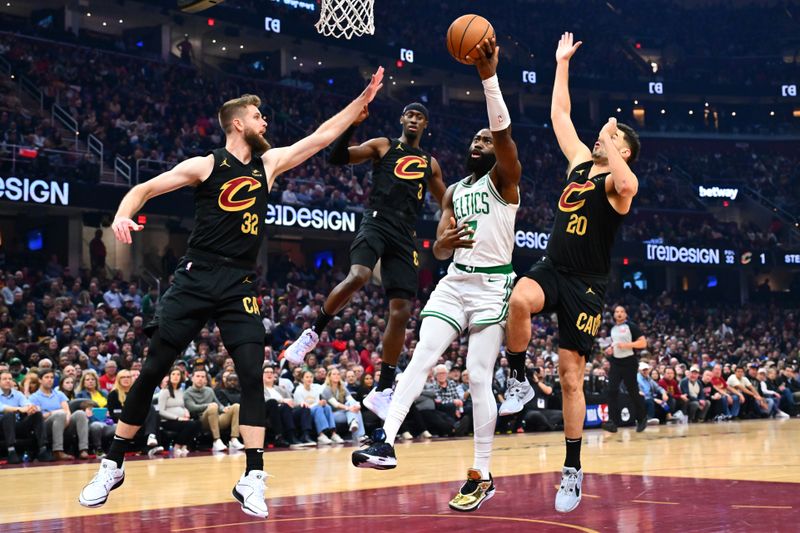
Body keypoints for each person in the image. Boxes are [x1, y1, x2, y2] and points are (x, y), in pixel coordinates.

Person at [79, 69, 384, 518]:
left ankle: (252, 476)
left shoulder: (269, 164)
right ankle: (113, 463)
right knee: (152, 370)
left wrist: (360, 103)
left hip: (238, 281)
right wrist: (123, 215)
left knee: (251, 372)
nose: (266, 123)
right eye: (258, 117)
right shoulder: (206, 165)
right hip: (195, 276)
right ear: (237, 123)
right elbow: (143, 188)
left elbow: (320, 138)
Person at [354, 36, 521, 513]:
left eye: (485, 140)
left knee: (475, 375)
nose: (479, 143)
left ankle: (482, 472)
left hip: (493, 286)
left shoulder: (506, 180)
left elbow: (504, 137)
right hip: (455, 282)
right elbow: (439, 242)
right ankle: (383, 442)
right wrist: (439, 245)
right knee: (421, 357)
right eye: (475, 139)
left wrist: (488, 78)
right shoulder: (454, 192)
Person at [500, 32, 641, 513]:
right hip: (554, 266)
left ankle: (573, 468)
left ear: (622, 147)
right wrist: (561, 64)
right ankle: (517, 377)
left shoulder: (621, 182)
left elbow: (625, 180)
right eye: (607, 136)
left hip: (587, 285)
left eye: (615, 138)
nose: (604, 138)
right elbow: (560, 116)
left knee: (570, 380)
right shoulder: (581, 162)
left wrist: (614, 141)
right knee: (517, 299)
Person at [285, 87, 447, 423]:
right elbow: (337, 157)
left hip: (405, 236)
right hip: (376, 222)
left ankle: (383, 389)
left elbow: (446, 201)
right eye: (410, 115)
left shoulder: (429, 164)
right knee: (358, 275)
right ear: (403, 119)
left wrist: (458, 217)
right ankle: (312, 332)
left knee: (401, 311)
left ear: (425, 125)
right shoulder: (383, 145)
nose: (414, 120)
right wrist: (353, 126)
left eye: (420, 117)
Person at [601, 305, 647, 433]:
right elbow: (615, 344)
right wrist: (610, 349)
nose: (619, 314)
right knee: (612, 391)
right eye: (616, 312)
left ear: (625, 314)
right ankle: (613, 422)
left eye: (621, 312)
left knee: (632, 391)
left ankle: (642, 418)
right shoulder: (612, 329)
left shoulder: (631, 326)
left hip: (629, 362)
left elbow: (643, 343)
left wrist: (626, 345)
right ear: (614, 315)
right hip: (616, 362)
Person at [29, 369, 91, 460]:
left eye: (52, 377)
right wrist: (54, 413)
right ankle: (58, 451)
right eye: (46, 377)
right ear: (40, 380)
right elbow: (39, 417)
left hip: (64, 422)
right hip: (45, 426)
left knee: (80, 413)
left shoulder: (59, 394)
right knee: (60, 414)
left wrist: (65, 420)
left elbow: (67, 411)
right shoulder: (34, 397)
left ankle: (83, 450)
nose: (50, 380)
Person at [184, 367, 244, 452]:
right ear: (192, 378)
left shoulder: (209, 390)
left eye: (202, 377)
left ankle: (234, 439)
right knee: (212, 407)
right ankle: (216, 440)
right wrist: (209, 405)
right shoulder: (187, 393)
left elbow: (218, 404)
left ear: (205, 379)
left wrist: (224, 409)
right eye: (198, 376)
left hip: (216, 417)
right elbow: (192, 408)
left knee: (236, 406)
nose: (200, 379)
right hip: (202, 420)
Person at [0, 370, 53, 463]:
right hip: (1, 427)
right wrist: (19, 409)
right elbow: (3, 408)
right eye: (4, 379)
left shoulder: (18, 394)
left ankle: (43, 449)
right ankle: (11, 451)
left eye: (10, 379)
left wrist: (31, 408)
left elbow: (27, 404)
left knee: (37, 414)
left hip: (16, 425)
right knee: (9, 415)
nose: (8, 381)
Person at [157, 367, 201, 457]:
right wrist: (177, 417)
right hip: (167, 421)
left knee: (198, 423)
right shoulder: (164, 392)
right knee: (191, 425)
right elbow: (161, 411)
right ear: (169, 377)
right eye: (173, 374)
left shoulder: (180, 391)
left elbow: (182, 406)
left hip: (180, 420)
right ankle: (177, 446)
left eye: (178, 374)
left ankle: (184, 446)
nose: (176, 376)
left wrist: (186, 411)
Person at [292, 370, 342, 444]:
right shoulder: (298, 390)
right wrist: (318, 404)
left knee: (327, 407)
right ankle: (321, 435)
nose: (309, 379)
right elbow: (303, 407)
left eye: (311, 377)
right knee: (318, 408)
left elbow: (317, 402)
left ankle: (333, 434)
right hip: (304, 413)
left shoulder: (315, 389)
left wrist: (322, 403)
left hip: (315, 410)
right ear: (302, 379)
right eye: (307, 377)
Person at [321, 367, 365, 443]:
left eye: (338, 374)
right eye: (334, 374)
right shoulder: (326, 389)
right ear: (329, 377)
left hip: (344, 412)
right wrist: (350, 408)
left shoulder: (342, 387)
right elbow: (336, 404)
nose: (336, 376)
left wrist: (357, 405)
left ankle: (354, 424)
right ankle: (358, 435)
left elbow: (351, 399)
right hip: (332, 415)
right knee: (354, 410)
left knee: (355, 408)